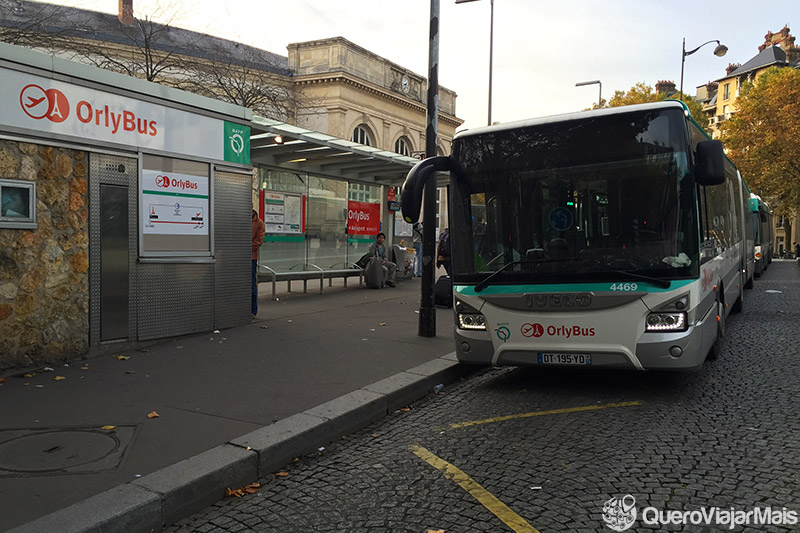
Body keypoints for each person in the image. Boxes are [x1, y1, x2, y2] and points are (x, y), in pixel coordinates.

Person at [251, 209, 266, 318]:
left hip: (251, 257)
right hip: (237, 257)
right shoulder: (238, 220)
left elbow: (258, 241)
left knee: (251, 285)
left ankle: (253, 310)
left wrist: (242, 246)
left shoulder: (259, 223)